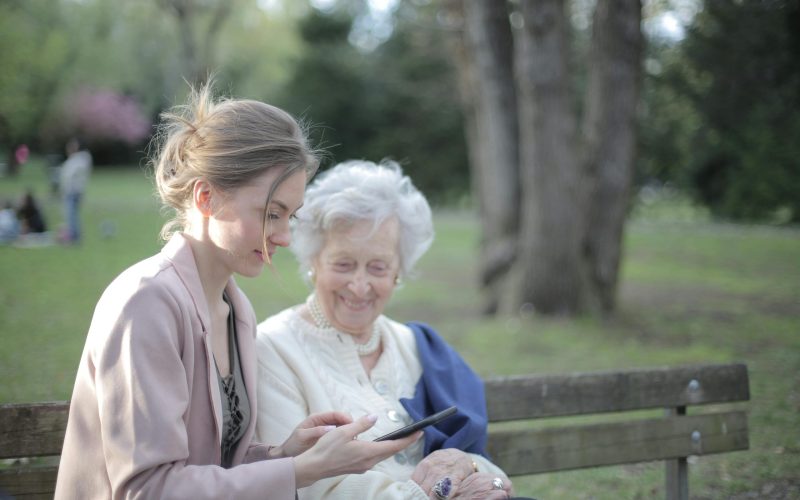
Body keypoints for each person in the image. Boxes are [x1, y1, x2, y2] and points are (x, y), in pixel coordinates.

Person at [54, 85, 420, 500]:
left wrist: (283, 453)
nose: (283, 236)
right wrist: (298, 471)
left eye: (290, 216)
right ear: (206, 197)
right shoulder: (146, 303)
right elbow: (147, 489)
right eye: (271, 214)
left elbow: (214, 467)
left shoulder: (235, 308)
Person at [256, 160, 528, 499]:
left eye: (378, 267)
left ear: (399, 271)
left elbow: (485, 468)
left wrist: (471, 470)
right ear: (313, 261)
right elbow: (309, 487)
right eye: (343, 264)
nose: (359, 285)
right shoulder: (272, 348)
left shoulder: (417, 345)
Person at [58, 137, 92, 243]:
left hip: (73, 191)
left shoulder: (80, 159)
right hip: (73, 191)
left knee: (71, 215)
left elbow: (70, 175)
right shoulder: (78, 159)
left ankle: (74, 237)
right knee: (72, 215)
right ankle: (73, 236)